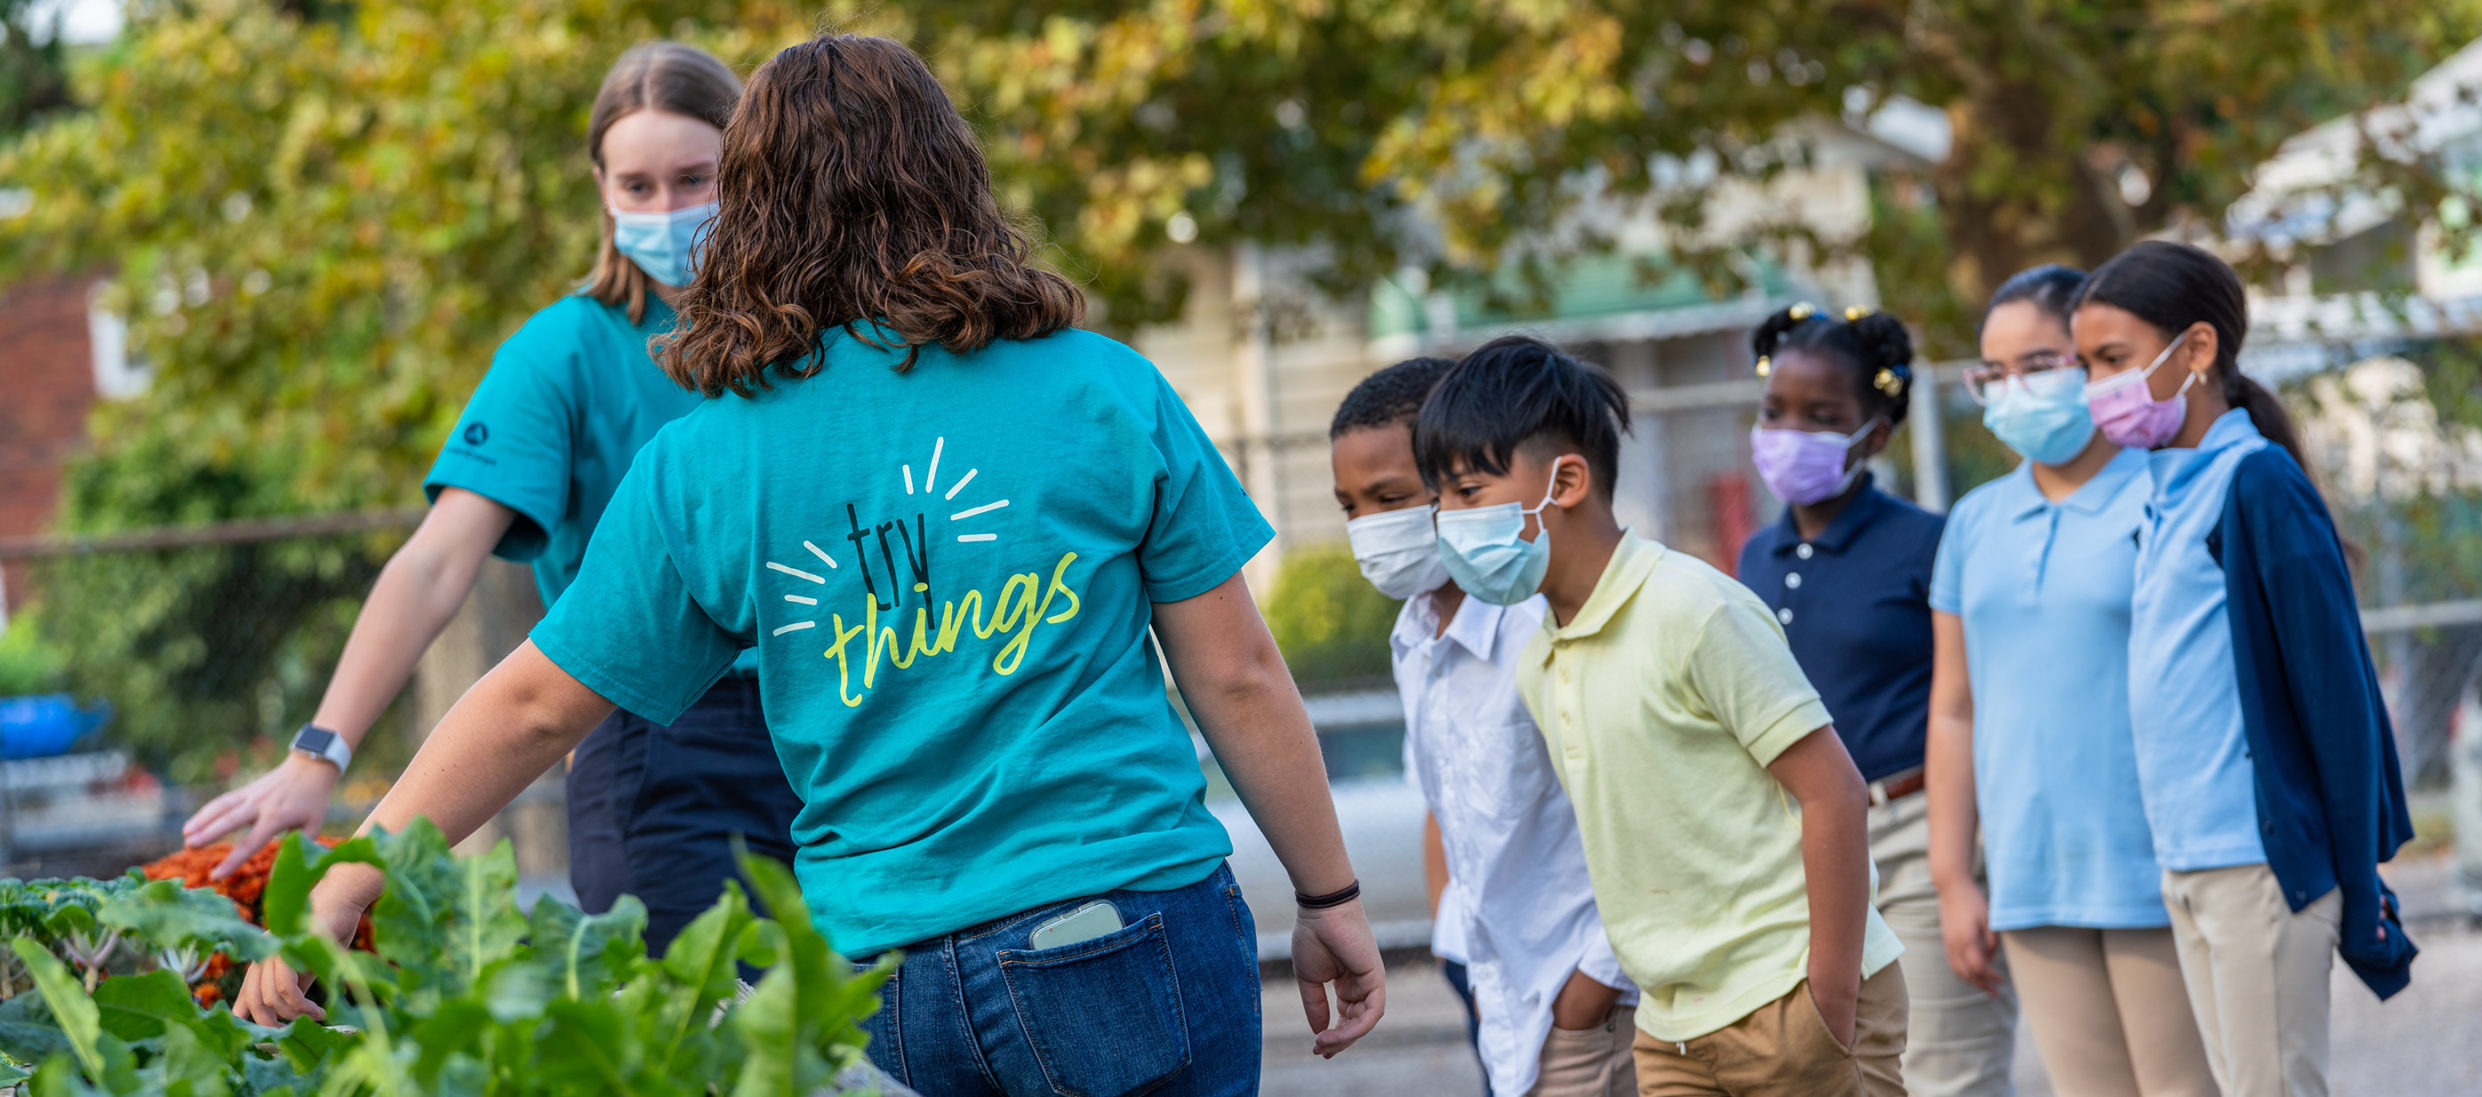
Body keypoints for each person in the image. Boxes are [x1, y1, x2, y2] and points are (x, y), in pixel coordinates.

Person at [233, 33, 1387, 1092]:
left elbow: (534, 704)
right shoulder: (1102, 387)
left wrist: (353, 870)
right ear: (953, 176)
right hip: (1119, 922)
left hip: (876, 979)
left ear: (751, 204)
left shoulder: (707, 459)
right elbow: (1233, 672)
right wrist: (1327, 892)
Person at [180, 42, 799, 957]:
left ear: (747, 172)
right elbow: (435, 563)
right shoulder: (563, 354)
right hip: (659, 746)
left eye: (693, 178)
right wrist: (320, 754)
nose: (667, 210)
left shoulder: (811, 338)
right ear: (601, 190)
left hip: (836, 721)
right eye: (637, 186)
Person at [1417, 335, 1907, 1097]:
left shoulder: (1692, 606)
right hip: (1671, 1028)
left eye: (1468, 492)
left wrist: (1827, 999)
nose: (1447, 521)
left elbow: (1832, 791)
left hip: (1789, 1000)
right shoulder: (1538, 657)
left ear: (1568, 479)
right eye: (1438, 498)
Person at [2070, 240, 2416, 1097]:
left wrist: (2354, 873)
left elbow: (2335, 694)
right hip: (2185, 862)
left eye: (2112, 359)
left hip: (2257, 866)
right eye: (2085, 364)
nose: (2094, 387)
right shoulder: (2162, 490)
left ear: (2195, 351)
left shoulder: (2256, 483)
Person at [1927, 266, 2216, 1097]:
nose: (2016, 390)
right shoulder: (1975, 523)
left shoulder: (2167, 494)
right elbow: (1954, 708)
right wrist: (1954, 877)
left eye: (2043, 364)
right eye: (1995, 372)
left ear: (2094, 360)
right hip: (2030, 877)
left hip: (2159, 868)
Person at [1333, 357, 1639, 1097]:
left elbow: (1643, 817)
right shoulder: (1413, 634)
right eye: (1350, 507)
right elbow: (1446, 807)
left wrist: (1591, 983)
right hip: (1495, 989)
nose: (1371, 528)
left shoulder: (1543, 622)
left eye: (1393, 498)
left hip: (1583, 1000)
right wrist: (1455, 943)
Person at [1737, 304, 2019, 1097]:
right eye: (1775, 412)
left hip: (1916, 840)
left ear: (1876, 434)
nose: (1791, 432)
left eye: (1822, 417)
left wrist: (1959, 861)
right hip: (1799, 851)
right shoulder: (1754, 555)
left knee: (1944, 1076)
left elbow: (1977, 700)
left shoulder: (1932, 541)